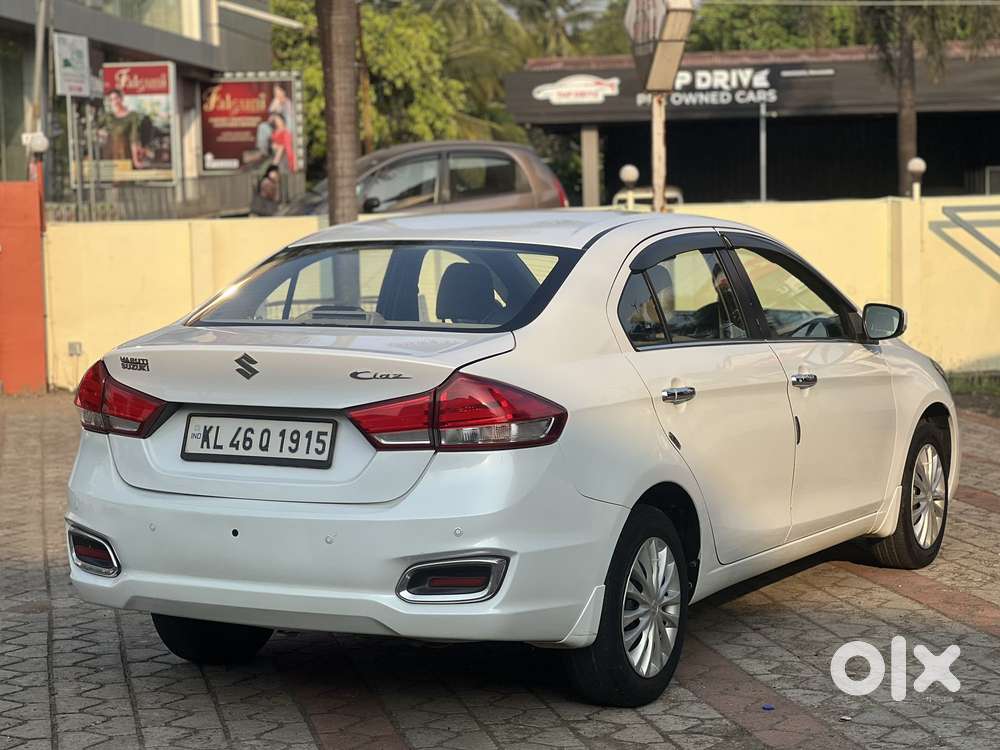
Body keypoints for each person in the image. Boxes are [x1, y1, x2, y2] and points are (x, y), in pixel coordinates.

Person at [99, 89, 146, 168]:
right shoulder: (107, 116)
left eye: (116, 98)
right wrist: (100, 133)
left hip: (125, 153)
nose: (114, 102)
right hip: (109, 153)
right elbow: (93, 129)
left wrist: (135, 160)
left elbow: (134, 139)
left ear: (121, 98)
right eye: (111, 100)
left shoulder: (132, 116)